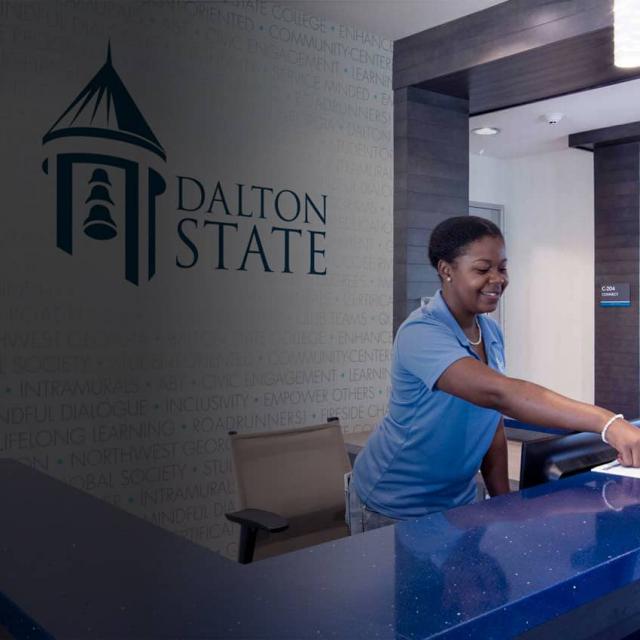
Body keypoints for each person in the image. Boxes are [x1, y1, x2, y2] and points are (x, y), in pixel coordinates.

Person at [347, 215, 640, 534]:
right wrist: (609, 424)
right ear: (446, 270)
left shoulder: (489, 331)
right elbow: (499, 394)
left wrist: (504, 501)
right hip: (394, 502)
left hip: (457, 500)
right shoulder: (421, 333)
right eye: (482, 269)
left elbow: (490, 419)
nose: (497, 279)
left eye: (502, 267)